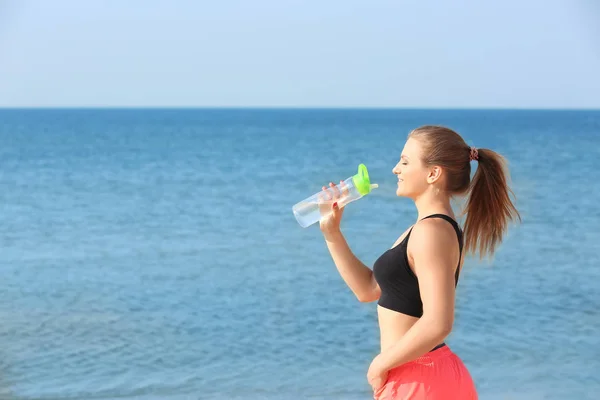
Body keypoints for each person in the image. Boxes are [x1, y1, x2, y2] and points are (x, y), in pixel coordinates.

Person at [319, 125, 520, 399]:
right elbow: (367, 289)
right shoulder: (421, 230)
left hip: (421, 378)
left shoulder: (431, 232)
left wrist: (381, 363)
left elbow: (439, 322)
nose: (395, 169)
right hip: (419, 375)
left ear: (433, 173)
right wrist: (332, 233)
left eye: (404, 161)